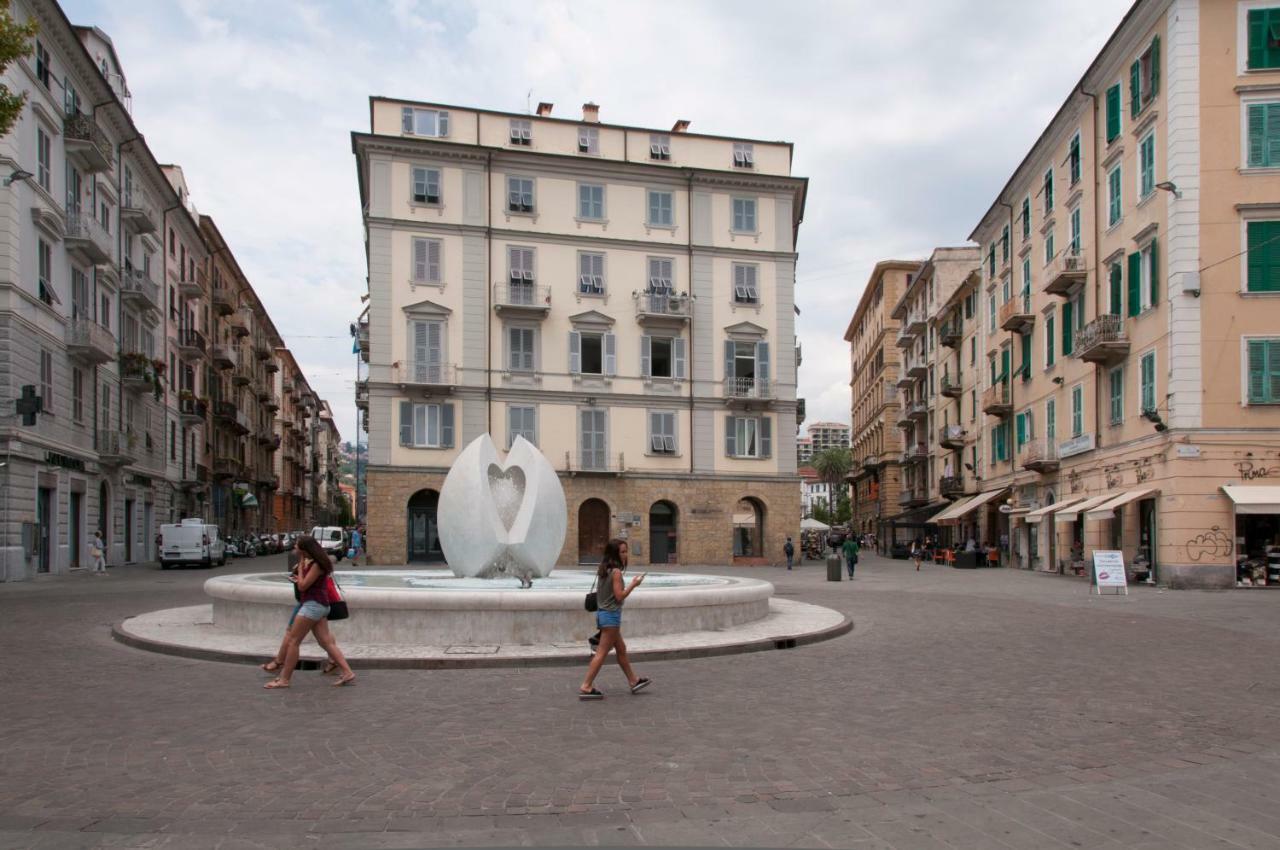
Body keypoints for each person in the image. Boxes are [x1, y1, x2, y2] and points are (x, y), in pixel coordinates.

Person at [263, 536, 356, 689]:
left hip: (313, 606)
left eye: (297, 545)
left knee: (293, 641)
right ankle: (347, 672)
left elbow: (303, 586)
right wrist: (300, 571)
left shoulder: (317, 565)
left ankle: (284, 679)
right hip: (318, 606)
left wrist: (299, 571)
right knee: (326, 642)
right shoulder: (312, 562)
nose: (294, 547)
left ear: (305, 549)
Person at [579, 539, 650, 700]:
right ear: (615, 554)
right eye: (623, 552)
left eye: (626, 551)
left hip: (604, 614)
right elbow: (619, 596)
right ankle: (586, 685)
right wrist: (633, 584)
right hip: (611, 616)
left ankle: (633, 680)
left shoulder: (603, 569)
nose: (626, 555)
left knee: (621, 649)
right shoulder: (616, 572)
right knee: (602, 653)